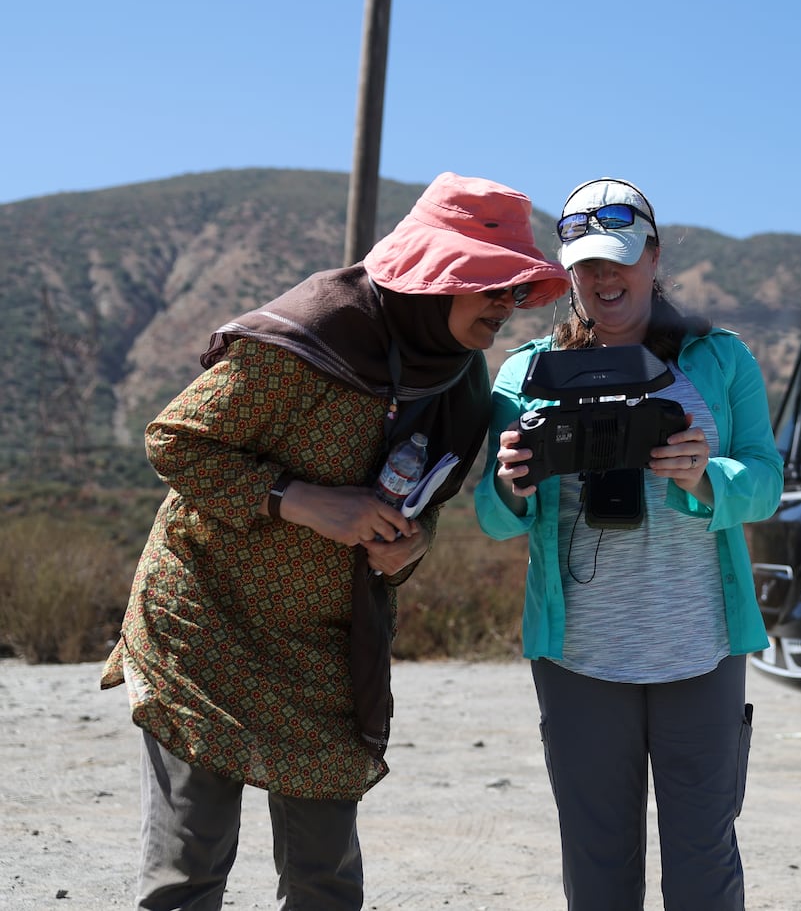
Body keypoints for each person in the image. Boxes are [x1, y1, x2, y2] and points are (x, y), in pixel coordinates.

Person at [99, 172, 569, 911]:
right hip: (205, 623)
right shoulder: (315, 332)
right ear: (438, 276)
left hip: (324, 647)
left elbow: (431, 505)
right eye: (491, 284)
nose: (506, 305)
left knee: (326, 882)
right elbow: (177, 443)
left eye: (514, 289)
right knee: (189, 866)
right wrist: (303, 501)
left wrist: (406, 547)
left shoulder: (463, 388)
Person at [475, 177, 782, 910]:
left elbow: (766, 482)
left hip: (699, 646)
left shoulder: (720, 357)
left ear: (653, 256)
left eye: (619, 258)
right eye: (586, 263)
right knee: (597, 860)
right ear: (568, 270)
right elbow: (492, 516)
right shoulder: (525, 375)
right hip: (579, 654)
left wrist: (706, 476)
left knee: (704, 859)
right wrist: (514, 482)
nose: (604, 277)